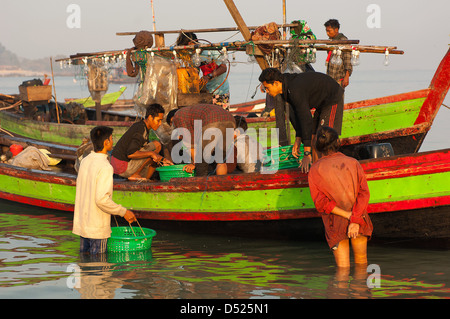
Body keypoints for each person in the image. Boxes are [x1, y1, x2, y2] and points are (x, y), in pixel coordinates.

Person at [308, 126, 373, 268]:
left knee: (343, 272)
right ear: (338, 142)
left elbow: (321, 203)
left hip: (335, 223)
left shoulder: (314, 170)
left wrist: (348, 216)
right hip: (359, 218)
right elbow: (364, 194)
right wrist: (355, 219)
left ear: (318, 145)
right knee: (362, 266)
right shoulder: (353, 163)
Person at [258, 67, 344, 173]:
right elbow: (297, 115)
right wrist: (298, 140)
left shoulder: (294, 89)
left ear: (276, 83)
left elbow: (306, 118)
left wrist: (306, 153)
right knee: (314, 140)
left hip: (332, 98)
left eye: (267, 88)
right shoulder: (285, 90)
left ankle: (330, 171)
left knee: (324, 140)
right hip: (320, 104)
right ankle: (316, 171)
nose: (266, 91)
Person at [73, 126, 137, 255]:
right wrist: (123, 212)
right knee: (99, 268)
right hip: (97, 229)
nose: (113, 141)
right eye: (112, 139)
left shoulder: (85, 161)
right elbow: (102, 200)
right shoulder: (106, 167)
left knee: (86, 266)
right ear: (106, 142)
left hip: (83, 225)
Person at [111, 103, 172, 181]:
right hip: (122, 166)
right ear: (150, 117)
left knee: (155, 157)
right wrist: (152, 153)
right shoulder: (140, 128)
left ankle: (145, 179)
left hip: (121, 166)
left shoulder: (144, 128)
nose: (160, 124)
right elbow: (131, 154)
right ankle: (135, 174)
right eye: (158, 120)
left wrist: (162, 160)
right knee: (156, 145)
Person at [171, 104, 236, 176]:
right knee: (220, 161)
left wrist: (194, 163)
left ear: (172, 121)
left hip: (212, 121)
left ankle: (200, 186)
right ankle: (221, 185)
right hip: (230, 119)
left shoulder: (177, 117)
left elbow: (190, 143)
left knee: (202, 162)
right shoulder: (190, 114)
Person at [176, 32, 230, 110]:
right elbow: (195, 73)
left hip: (221, 91)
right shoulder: (193, 57)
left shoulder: (211, 49)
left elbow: (223, 68)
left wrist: (209, 76)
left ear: (193, 42)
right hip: (207, 92)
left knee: (221, 117)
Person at [324, 19, 353, 88]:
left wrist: (347, 77)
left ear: (336, 30)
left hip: (339, 78)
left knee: (338, 97)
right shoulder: (331, 42)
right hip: (330, 77)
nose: (327, 33)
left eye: (329, 31)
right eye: (326, 31)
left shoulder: (343, 41)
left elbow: (347, 60)